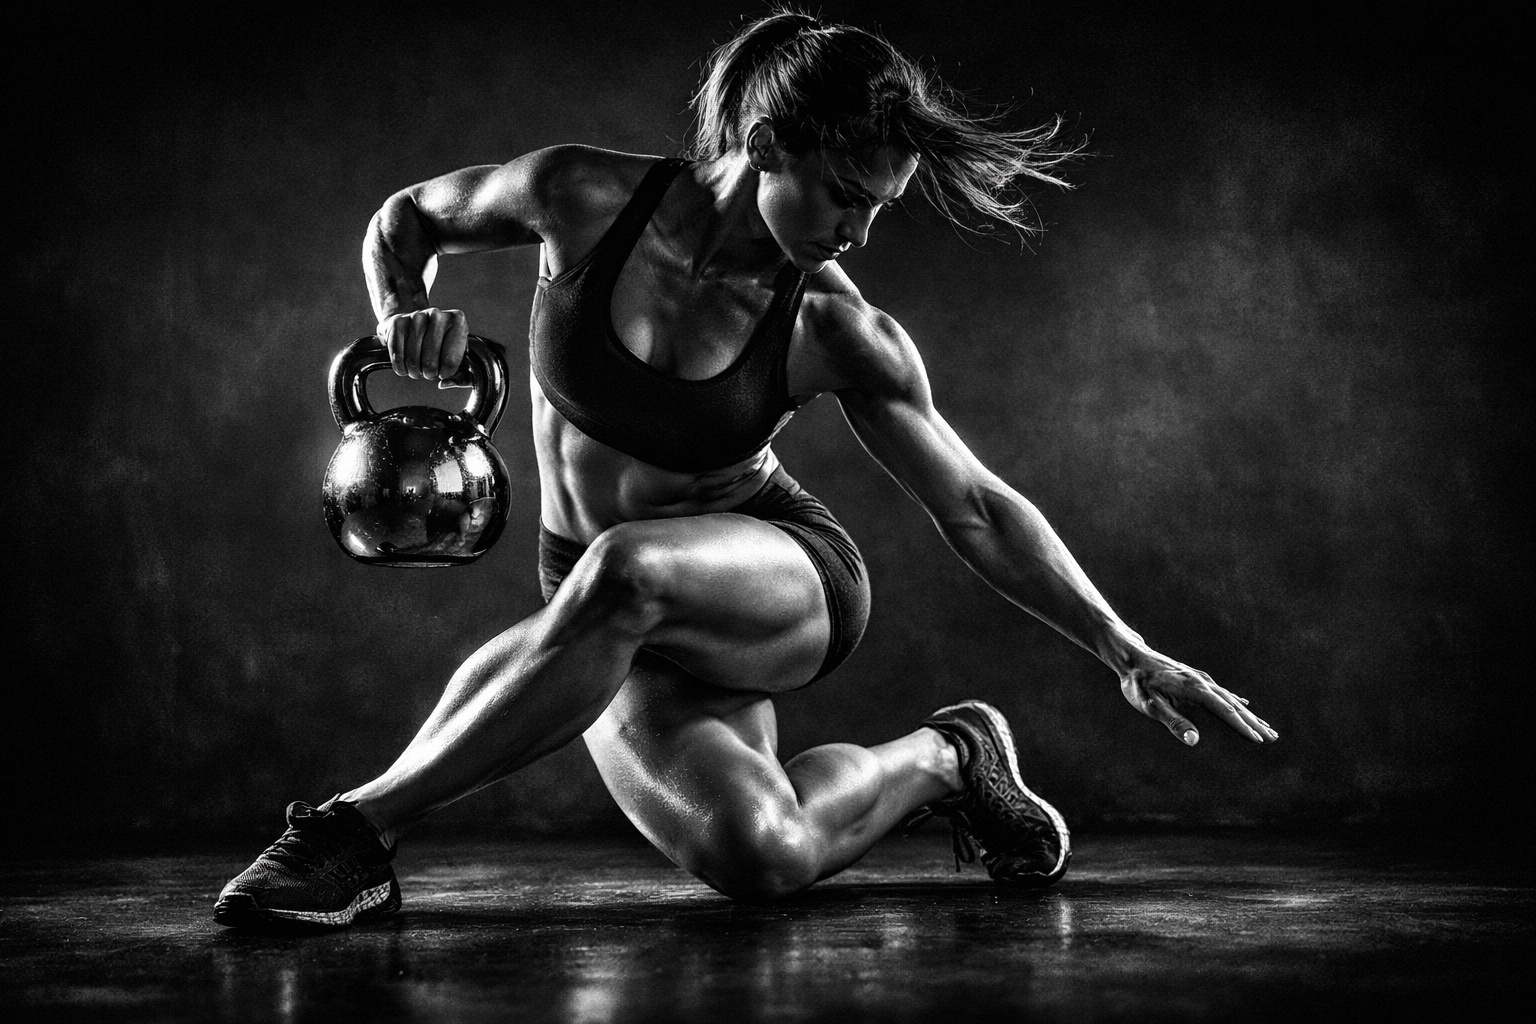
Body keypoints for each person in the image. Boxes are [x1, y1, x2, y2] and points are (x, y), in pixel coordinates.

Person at [215, 8, 1277, 931]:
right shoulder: (578, 198)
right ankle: (953, 759)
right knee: (761, 855)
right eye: (842, 195)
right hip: (600, 605)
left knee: (629, 569)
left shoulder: (834, 324)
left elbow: (979, 509)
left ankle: (356, 832)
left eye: (878, 207)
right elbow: (404, 222)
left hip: (778, 581)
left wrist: (1127, 650)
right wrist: (402, 321)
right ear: (768, 145)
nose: (857, 229)